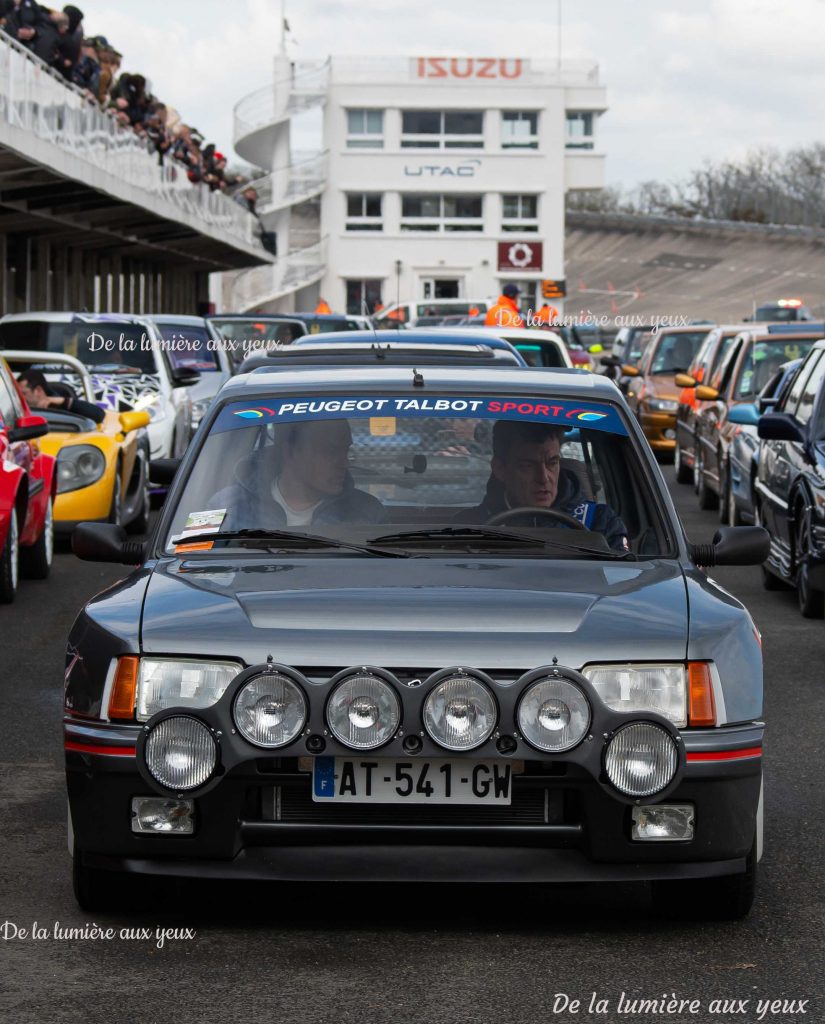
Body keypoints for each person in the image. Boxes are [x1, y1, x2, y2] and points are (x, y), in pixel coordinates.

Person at [454, 420, 628, 551]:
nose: (543, 478)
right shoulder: (470, 526)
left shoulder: (599, 523)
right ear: (500, 469)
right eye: (528, 466)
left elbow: (621, 584)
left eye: (552, 463)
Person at [210, 418, 385, 530]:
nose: (345, 463)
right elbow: (191, 560)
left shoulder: (367, 513)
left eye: (345, 451)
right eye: (331, 451)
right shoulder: (222, 506)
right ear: (290, 452)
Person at [17, 368, 105, 424]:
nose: (20, 398)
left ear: (38, 390)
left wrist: (63, 402)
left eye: (24, 393)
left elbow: (98, 415)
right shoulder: (16, 409)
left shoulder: (62, 407)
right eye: (18, 393)